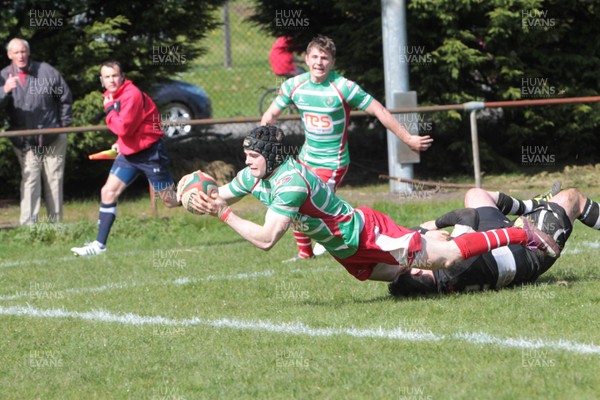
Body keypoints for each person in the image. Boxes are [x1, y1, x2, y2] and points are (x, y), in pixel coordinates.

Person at [185, 125, 558, 283]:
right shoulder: (255, 175)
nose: (247, 162)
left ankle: (518, 232)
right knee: (405, 278)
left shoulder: (290, 185)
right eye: (246, 155)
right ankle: (444, 228)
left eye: (252, 155)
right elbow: (220, 194)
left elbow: (267, 239)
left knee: (444, 260)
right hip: (345, 251)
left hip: (366, 233)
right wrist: (190, 194)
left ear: (269, 155)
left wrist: (223, 214)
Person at [261, 35, 434, 261]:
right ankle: (306, 254)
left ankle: (361, 242)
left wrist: (408, 139)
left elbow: (380, 111)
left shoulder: (344, 87)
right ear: (306, 58)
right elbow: (271, 115)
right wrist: (264, 142)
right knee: (292, 199)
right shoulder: (294, 85)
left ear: (333, 62)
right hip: (306, 159)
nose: (319, 62)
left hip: (333, 163)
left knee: (304, 203)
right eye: (314, 57)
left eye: (324, 58)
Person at [388, 185, 600, 296]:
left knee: (476, 193)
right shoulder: (452, 262)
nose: (413, 258)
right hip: (529, 247)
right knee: (572, 198)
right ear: (416, 271)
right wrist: (431, 229)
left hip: (493, 243)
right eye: (410, 264)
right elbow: (467, 216)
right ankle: (540, 208)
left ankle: (533, 205)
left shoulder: (443, 280)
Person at [70, 61, 179, 257]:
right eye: (106, 77)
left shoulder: (131, 95)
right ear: (101, 80)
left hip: (150, 154)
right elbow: (128, 128)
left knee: (170, 201)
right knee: (108, 192)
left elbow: (123, 127)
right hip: (130, 154)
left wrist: (110, 110)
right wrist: (120, 142)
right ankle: (99, 246)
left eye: (114, 75)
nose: (111, 80)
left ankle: (203, 196)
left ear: (122, 77)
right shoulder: (112, 95)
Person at [0, 38, 72, 225]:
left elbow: (64, 97)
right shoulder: (3, 76)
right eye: (16, 52)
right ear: (9, 55)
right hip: (25, 141)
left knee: (54, 181)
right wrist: (4, 91)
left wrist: (63, 126)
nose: (21, 56)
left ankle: (55, 226)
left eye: (23, 51)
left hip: (52, 138)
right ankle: (29, 228)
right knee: (31, 179)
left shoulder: (46, 71)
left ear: (28, 52)